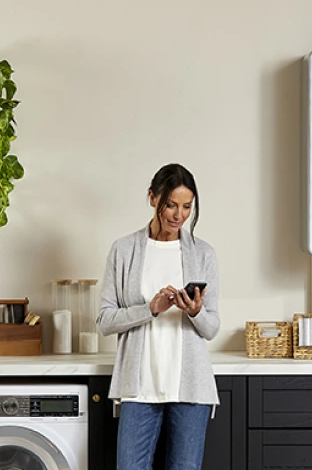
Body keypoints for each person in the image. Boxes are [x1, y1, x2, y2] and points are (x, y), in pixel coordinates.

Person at [97, 163, 220, 470]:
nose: (178, 215)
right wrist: (150, 309)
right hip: (139, 388)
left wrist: (195, 311)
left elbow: (212, 327)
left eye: (187, 206)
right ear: (153, 198)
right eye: (170, 205)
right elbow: (104, 320)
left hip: (190, 388)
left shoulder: (203, 254)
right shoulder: (124, 250)